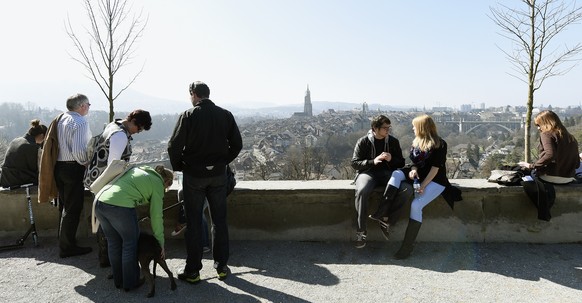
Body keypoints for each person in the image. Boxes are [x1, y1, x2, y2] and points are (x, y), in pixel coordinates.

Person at [168, 81, 242, 283]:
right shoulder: (225, 114)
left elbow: (174, 146)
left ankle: (193, 271)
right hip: (218, 175)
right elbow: (237, 144)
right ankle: (222, 267)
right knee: (219, 221)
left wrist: (181, 166)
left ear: (193, 95)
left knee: (193, 222)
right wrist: (222, 161)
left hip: (194, 176)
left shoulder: (188, 116)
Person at [84, 109, 153, 267]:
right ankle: (108, 259)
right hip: (106, 182)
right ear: (135, 122)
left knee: (103, 222)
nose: (138, 132)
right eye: (140, 128)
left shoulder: (113, 125)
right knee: (108, 225)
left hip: (96, 178)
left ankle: (107, 257)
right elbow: (113, 165)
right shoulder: (120, 135)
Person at [387, 114, 461, 259]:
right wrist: (414, 169)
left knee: (416, 205)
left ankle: (407, 247)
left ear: (421, 128)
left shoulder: (440, 144)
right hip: (420, 177)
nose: (412, 128)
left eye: (414, 126)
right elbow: (413, 161)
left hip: (436, 181)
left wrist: (423, 186)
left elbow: (435, 169)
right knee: (401, 181)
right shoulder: (416, 142)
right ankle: (385, 214)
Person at [94, 165, 173, 291]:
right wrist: (160, 243)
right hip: (119, 206)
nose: (165, 190)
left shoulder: (141, 170)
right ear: (167, 182)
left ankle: (118, 279)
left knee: (113, 242)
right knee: (130, 243)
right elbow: (156, 216)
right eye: (167, 188)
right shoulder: (157, 183)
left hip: (99, 202)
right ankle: (131, 282)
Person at [39, 94, 93, 258]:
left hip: (59, 167)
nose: (89, 108)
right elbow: (77, 150)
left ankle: (65, 241)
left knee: (64, 206)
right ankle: (67, 247)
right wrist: (85, 162)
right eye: (88, 105)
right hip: (72, 168)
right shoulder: (80, 122)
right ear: (82, 106)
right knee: (73, 208)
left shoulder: (61, 118)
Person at [351, 115, 411, 249]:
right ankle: (361, 231)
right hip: (368, 173)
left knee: (406, 190)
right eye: (385, 128)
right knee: (362, 191)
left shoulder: (393, 142)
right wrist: (373, 161)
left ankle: (386, 220)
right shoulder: (363, 141)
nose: (387, 130)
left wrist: (391, 159)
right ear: (375, 128)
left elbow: (401, 162)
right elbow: (354, 163)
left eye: (389, 127)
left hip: (388, 174)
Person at [518, 110, 580, 221]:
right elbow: (576, 164)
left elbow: (550, 154)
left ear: (546, 123)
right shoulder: (571, 138)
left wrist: (532, 165)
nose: (538, 128)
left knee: (523, 175)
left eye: (538, 124)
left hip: (550, 177)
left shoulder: (546, 134)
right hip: (569, 178)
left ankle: (540, 212)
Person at [0, 119, 47, 188]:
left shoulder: (16, 140)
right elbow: (37, 169)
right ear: (41, 135)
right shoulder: (32, 147)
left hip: (5, 177)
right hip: (15, 180)